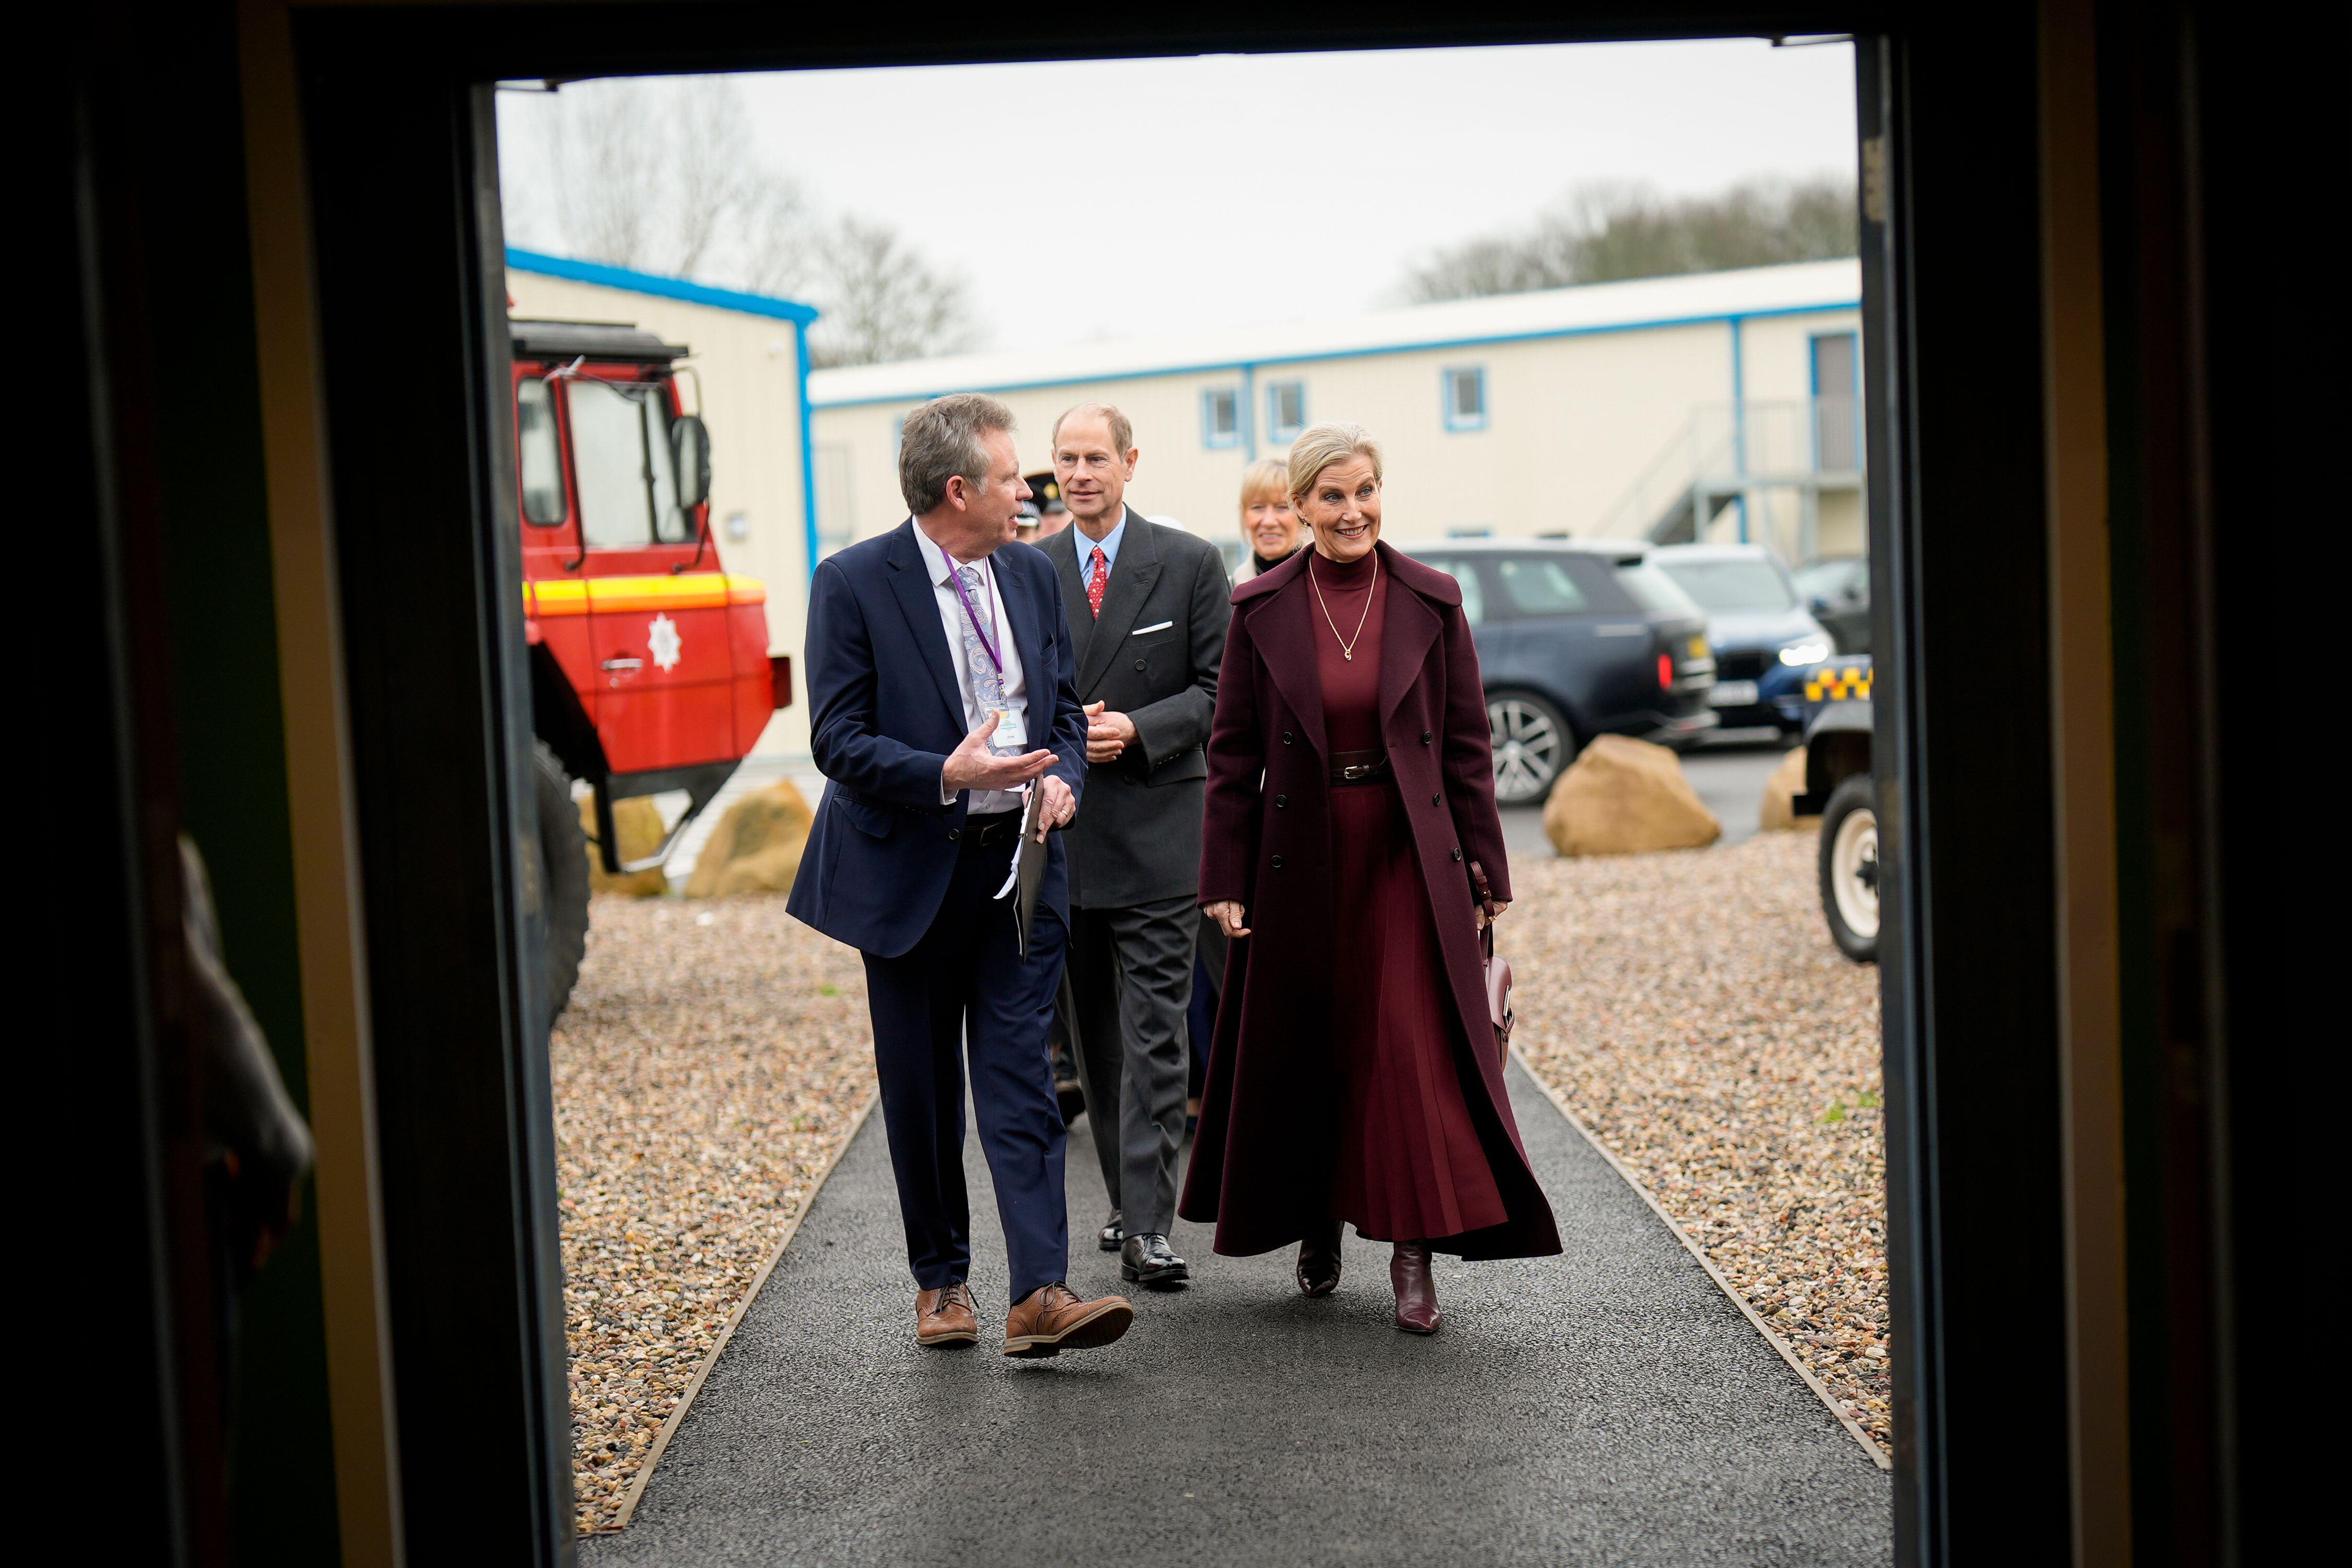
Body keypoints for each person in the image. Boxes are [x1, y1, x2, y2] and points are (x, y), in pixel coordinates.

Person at [1179, 422, 1561, 1334]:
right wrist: (1224, 873)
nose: (1353, 511)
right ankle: (1316, 1218)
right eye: (1333, 496)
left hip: (1405, 852)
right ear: (1302, 507)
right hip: (1298, 855)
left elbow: (1467, 743)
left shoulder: (1431, 599)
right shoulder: (1258, 607)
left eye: (1366, 491)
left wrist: (1485, 863)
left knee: (1400, 1049)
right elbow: (1231, 755)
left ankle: (1410, 1251)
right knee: (1318, 1042)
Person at [787, 393, 1135, 1359]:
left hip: (1018, 870)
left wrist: (1062, 780)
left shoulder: (1028, 573)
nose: (1030, 491)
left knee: (1020, 1075)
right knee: (922, 1086)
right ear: (957, 490)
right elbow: (836, 738)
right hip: (905, 875)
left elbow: (1062, 711)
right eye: (1012, 477)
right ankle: (941, 1282)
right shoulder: (853, 582)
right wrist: (947, 770)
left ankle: (1039, 1292)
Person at [1037, 402, 1231, 1289]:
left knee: (1155, 1033)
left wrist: (1137, 729)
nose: (1080, 473)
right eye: (1067, 459)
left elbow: (1220, 689)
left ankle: (1152, 1227)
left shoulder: (1188, 563)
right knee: (1094, 1041)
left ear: (1129, 463)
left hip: (1158, 830)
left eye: (1095, 458)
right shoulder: (1026, 570)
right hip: (1066, 834)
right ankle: (1125, 1201)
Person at [1232, 456, 1305, 582]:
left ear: (1302, 512)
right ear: (1243, 515)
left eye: (1282, 507)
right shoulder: (1229, 590)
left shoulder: (1328, 582)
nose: (1269, 521)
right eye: (1258, 507)